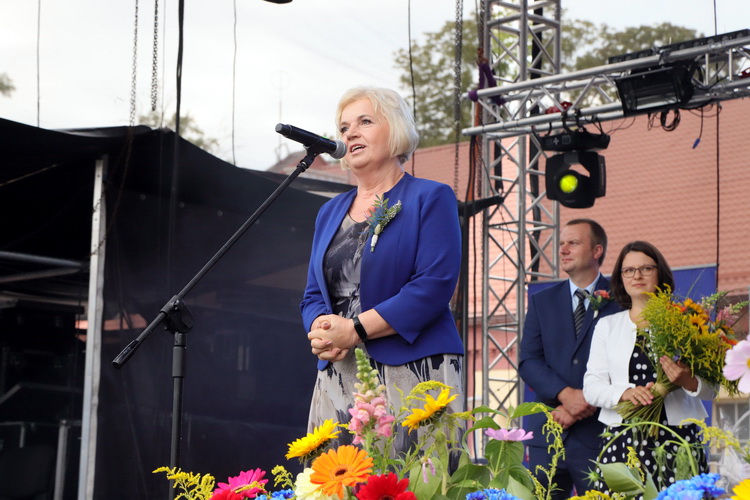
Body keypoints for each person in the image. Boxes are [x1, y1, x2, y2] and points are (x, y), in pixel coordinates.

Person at [300, 86, 464, 453]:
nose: (350, 134)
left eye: (365, 122)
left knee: (412, 477)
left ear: (396, 130)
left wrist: (354, 330)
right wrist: (322, 330)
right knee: (339, 477)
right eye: (344, 128)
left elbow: (433, 285)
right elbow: (313, 294)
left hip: (413, 366)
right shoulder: (329, 212)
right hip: (340, 370)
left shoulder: (430, 197)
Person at [583, 241, 713, 490]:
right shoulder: (607, 326)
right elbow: (591, 387)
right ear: (621, 278)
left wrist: (687, 381)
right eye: (629, 270)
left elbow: (712, 389)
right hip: (622, 440)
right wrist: (625, 393)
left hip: (677, 438)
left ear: (660, 273)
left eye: (646, 268)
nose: (637, 276)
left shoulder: (686, 321)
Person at [519, 219, 620, 500]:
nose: (563, 249)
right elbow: (529, 361)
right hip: (548, 433)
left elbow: (624, 364)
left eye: (573, 243)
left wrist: (582, 402)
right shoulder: (542, 301)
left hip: (600, 433)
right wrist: (566, 395)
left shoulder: (621, 299)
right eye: (561, 243)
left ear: (597, 250)